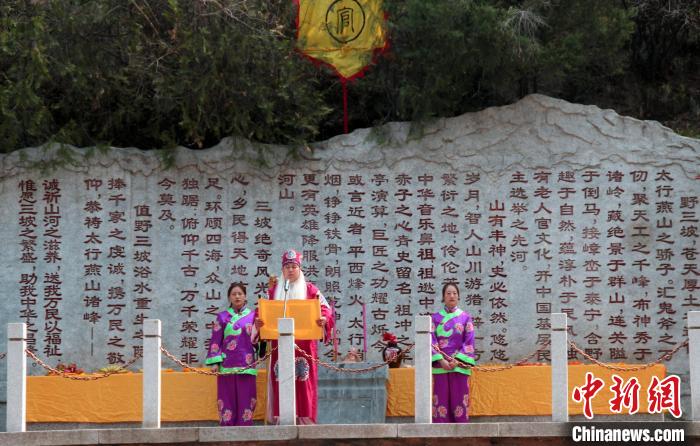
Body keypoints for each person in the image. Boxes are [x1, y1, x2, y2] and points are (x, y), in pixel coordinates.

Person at [255, 249, 335, 424]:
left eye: (293, 266)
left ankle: (305, 421)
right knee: (280, 381)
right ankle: (281, 420)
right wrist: (258, 323)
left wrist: (323, 319)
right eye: (287, 267)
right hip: (279, 347)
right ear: (282, 270)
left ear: (299, 269)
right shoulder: (274, 291)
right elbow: (259, 312)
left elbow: (326, 309)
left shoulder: (310, 289)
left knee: (303, 382)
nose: (290, 270)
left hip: (304, 348)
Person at [205, 282, 258, 426]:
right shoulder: (222, 317)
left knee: (246, 398)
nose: (237, 296)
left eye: (240, 293)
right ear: (229, 297)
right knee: (226, 399)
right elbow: (216, 340)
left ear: (245, 296)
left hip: (247, 364)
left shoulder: (254, 316)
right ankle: (227, 431)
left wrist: (259, 329)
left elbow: (259, 342)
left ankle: (245, 429)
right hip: (226, 365)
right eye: (234, 294)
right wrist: (215, 362)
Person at [431, 282, 476, 423]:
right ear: (443, 297)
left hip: (460, 366)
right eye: (448, 293)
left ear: (459, 296)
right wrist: (441, 360)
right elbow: (431, 340)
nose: (452, 296)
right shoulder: (435, 318)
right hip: (441, 367)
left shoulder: (465, 318)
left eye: (455, 293)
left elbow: (469, 341)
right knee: (441, 406)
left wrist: (457, 360)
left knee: (460, 405)